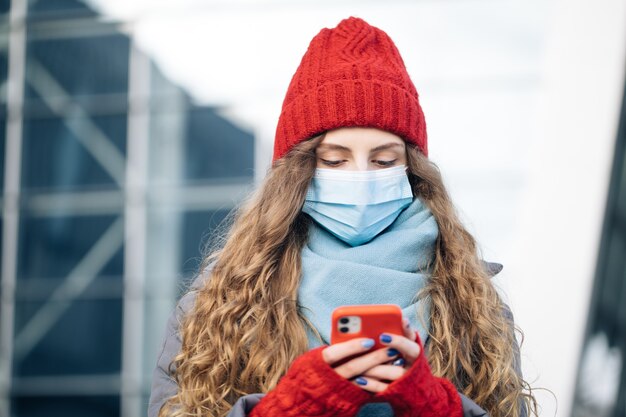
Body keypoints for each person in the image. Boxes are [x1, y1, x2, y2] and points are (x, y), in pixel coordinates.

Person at [148, 16, 538, 417]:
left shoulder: (470, 296)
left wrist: (439, 408)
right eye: (335, 160)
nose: (361, 177)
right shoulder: (223, 294)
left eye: (384, 159)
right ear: (297, 170)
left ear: (412, 168)